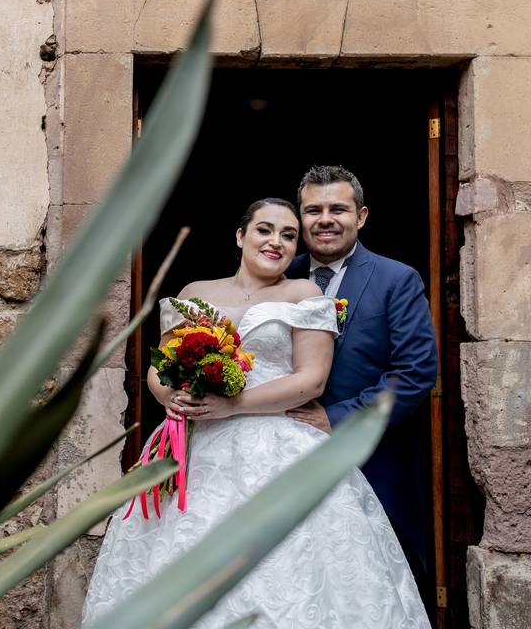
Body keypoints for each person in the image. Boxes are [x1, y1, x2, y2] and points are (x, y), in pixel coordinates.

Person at [82, 198, 429, 628]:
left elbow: (311, 380)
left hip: (281, 442)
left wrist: (231, 406)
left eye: (288, 235)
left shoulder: (304, 294)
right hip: (197, 447)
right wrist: (166, 395)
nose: (276, 242)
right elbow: (160, 367)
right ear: (240, 235)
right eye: (265, 230)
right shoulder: (195, 293)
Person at [285, 165, 438, 586]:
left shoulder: (396, 279)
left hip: (372, 462)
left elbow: (415, 373)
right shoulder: (276, 278)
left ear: (362, 216)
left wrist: (334, 419)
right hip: (282, 460)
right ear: (300, 218)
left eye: (338, 208)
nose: (325, 219)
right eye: (313, 210)